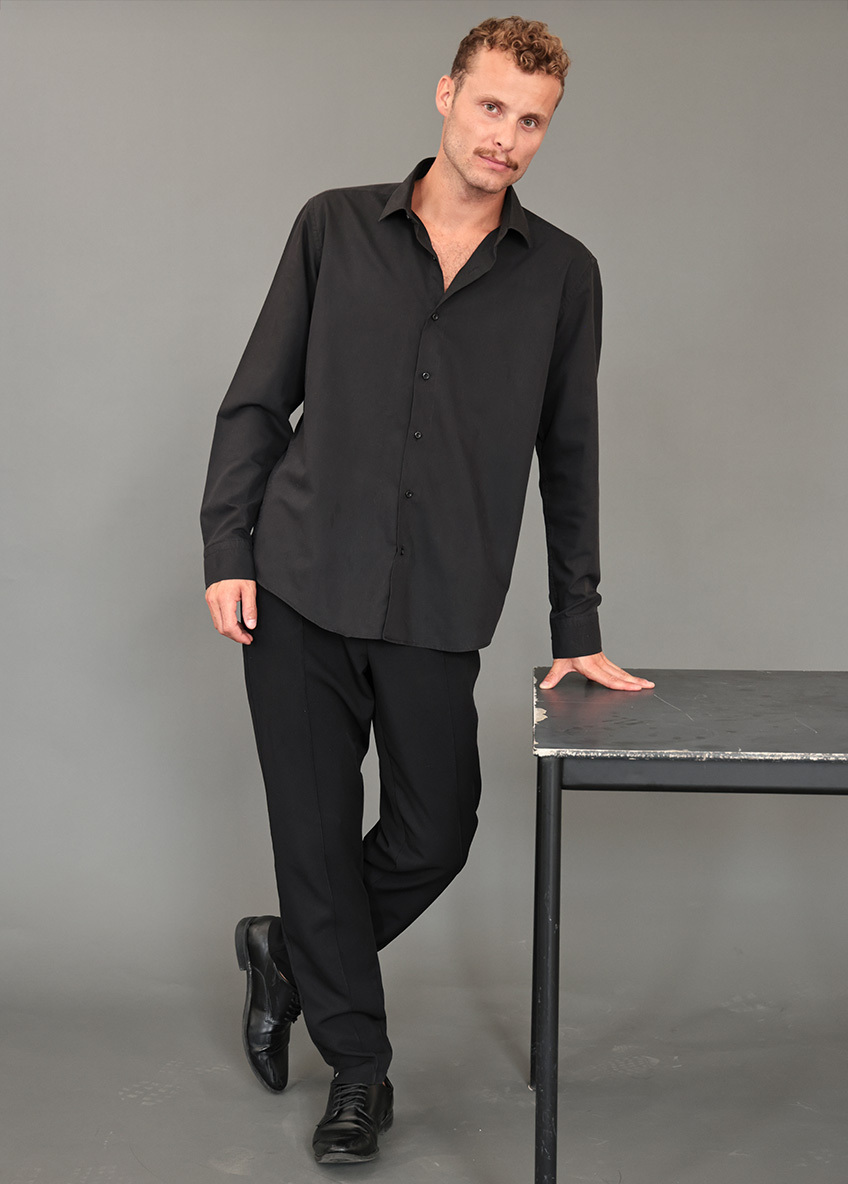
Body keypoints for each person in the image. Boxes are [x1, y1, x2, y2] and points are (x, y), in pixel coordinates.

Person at [200, 14, 654, 1166]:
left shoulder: (562, 276)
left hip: (438, 603)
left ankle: (288, 954)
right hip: (298, 583)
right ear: (447, 95)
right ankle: (360, 1071)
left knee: (432, 829)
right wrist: (227, 546)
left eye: (531, 121)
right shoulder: (332, 226)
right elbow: (257, 395)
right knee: (313, 840)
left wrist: (575, 618)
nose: (507, 135)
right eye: (492, 106)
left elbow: (569, 454)